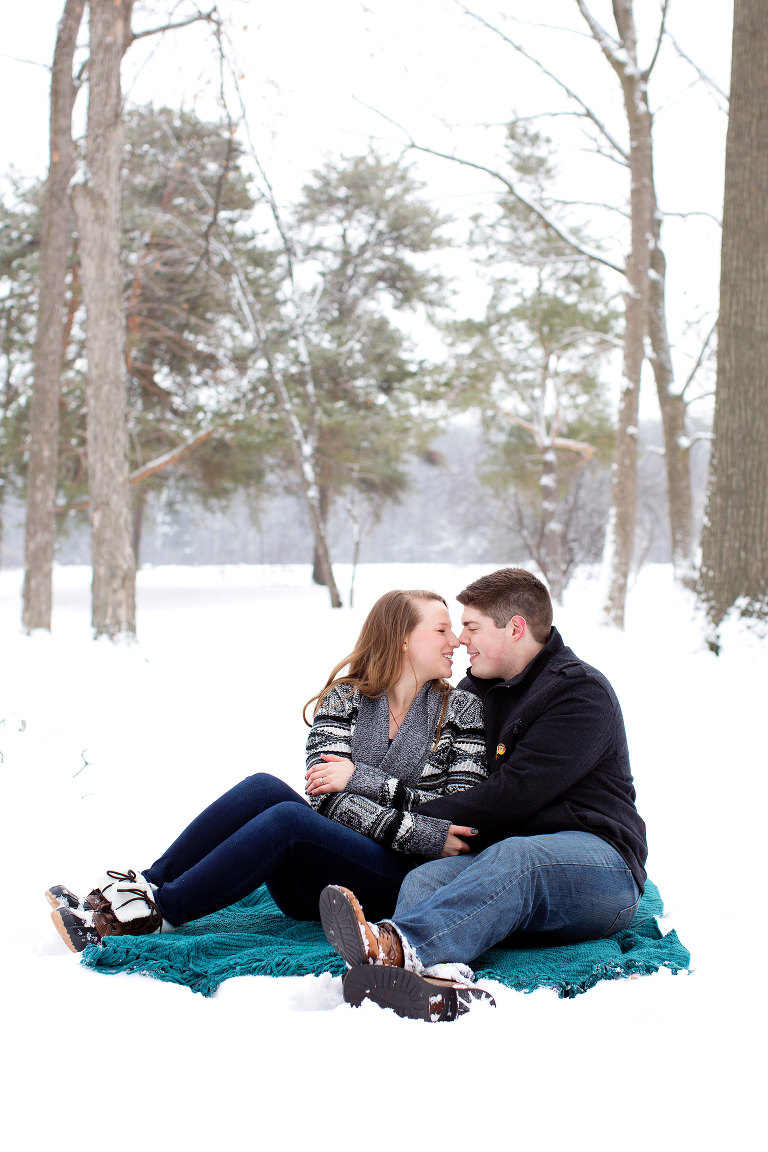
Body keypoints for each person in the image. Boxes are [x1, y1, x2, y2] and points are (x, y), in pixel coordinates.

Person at [47, 589, 489, 956]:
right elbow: (324, 798)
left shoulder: (463, 710)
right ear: (403, 640)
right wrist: (416, 822)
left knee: (289, 821)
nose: (456, 640)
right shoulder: (346, 698)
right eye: (441, 629)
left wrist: (359, 779)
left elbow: (458, 815)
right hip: (311, 881)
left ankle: (161, 912)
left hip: (397, 882)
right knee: (263, 788)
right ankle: (142, 888)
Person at [320, 567, 648, 1021]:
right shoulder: (477, 689)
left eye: (471, 627)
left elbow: (508, 797)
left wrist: (397, 815)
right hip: (503, 857)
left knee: (521, 857)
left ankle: (398, 945)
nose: (461, 641)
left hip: (599, 867)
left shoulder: (579, 693)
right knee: (424, 881)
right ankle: (433, 983)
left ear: (515, 628)